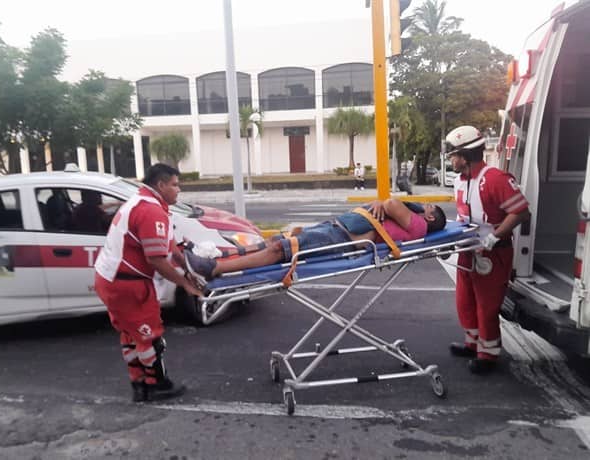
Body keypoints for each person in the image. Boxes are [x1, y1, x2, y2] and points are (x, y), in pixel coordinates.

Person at [94, 163, 202, 402]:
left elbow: (170, 245)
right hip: (126, 284)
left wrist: (187, 267)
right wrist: (184, 283)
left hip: (111, 280)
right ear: (161, 185)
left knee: (131, 335)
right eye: (174, 184)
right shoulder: (150, 211)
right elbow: (155, 259)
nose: (178, 189)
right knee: (150, 337)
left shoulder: (146, 203)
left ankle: (139, 384)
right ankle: (157, 385)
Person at [185, 198, 447, 283]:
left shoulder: (419, 223)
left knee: (281, 248)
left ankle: (214, 268)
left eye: (429, 205)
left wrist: (399, 203)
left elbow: (390, 203)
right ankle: (220, 256)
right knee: (280, 238)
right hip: (337, 229)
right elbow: (387, 206)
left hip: (341, 238)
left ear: (432, 215)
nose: (424, 204)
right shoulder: (414, 220)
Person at [445, 125, 530, 375]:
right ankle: (472, 342)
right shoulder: (461, 181)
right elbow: (464, 216)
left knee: (487, 305)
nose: (451, 159)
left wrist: (495, 236)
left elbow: (521, 211)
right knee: (465, 301)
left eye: (454, 155)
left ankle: (488, 354)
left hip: (493, 253)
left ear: (466, 156)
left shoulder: (494, 179)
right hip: (468, 250)